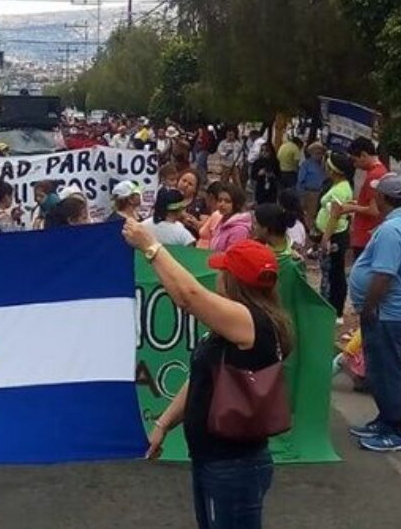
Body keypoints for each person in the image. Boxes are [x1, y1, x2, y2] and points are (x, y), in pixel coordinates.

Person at [123, 222, 292, 529]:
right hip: (215, 460)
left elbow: (188, 295)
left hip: (233, 466)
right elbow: (203, 381)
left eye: (223, 271)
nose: (217, 276)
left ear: (233, 282)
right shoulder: (240, 323)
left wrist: (150, 247)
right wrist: (163, 424)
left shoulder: (251, 322)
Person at [347, 174, 401, 452]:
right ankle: (384, 420)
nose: (374, 197)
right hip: (393, 312)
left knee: (389, 370)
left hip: (388, 314)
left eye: (377, 193)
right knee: (380, 369)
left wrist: (369, 308)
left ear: (384, 198)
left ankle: (394, 431)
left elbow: (383, 275)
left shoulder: (393, 230)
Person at [315, 152, 356, 323]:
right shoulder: (337, 185)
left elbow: (334, 215)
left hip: (336, 236)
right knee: (330, 272)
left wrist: (326, 237)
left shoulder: (340, 189)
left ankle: (336, 309)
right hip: (333, 233)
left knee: (334, 273)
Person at [342, 137, 389, 260]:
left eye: (355, 160)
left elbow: (374, 210)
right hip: (370, 234)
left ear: (363, 155)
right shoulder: (381, 171)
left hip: (365, 235)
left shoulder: (373, 177)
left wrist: (351, 208)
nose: (355, 165)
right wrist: (358, 203)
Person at [209, 183, 252, 252]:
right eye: (220, 200)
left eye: (227, 201)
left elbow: (232, 256)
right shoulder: (222, 221)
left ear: (236, 204)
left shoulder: (240, 230)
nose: (222, 204)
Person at [296, 141, 327, 231]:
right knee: (309, 214)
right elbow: (300, 180)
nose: (319, 155)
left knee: (316, 214)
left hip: (319, 192)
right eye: (317, 153)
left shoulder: (322, 165)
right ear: (311, 154)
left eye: (321, 153)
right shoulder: (306, 164)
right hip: (309, 192)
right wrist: (301, 194)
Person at [178, 170, 209, 238]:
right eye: (184, 180)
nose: (185, 185)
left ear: (195, 189)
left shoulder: (200, 203)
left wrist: (194, 223)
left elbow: (205, 227)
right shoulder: (168, 198)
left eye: (190, 184)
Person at [197, 182, 225, 249]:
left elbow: (214, 236)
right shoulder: (215, 214)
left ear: (210, 196)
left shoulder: (217, 214)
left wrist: (197, 223)